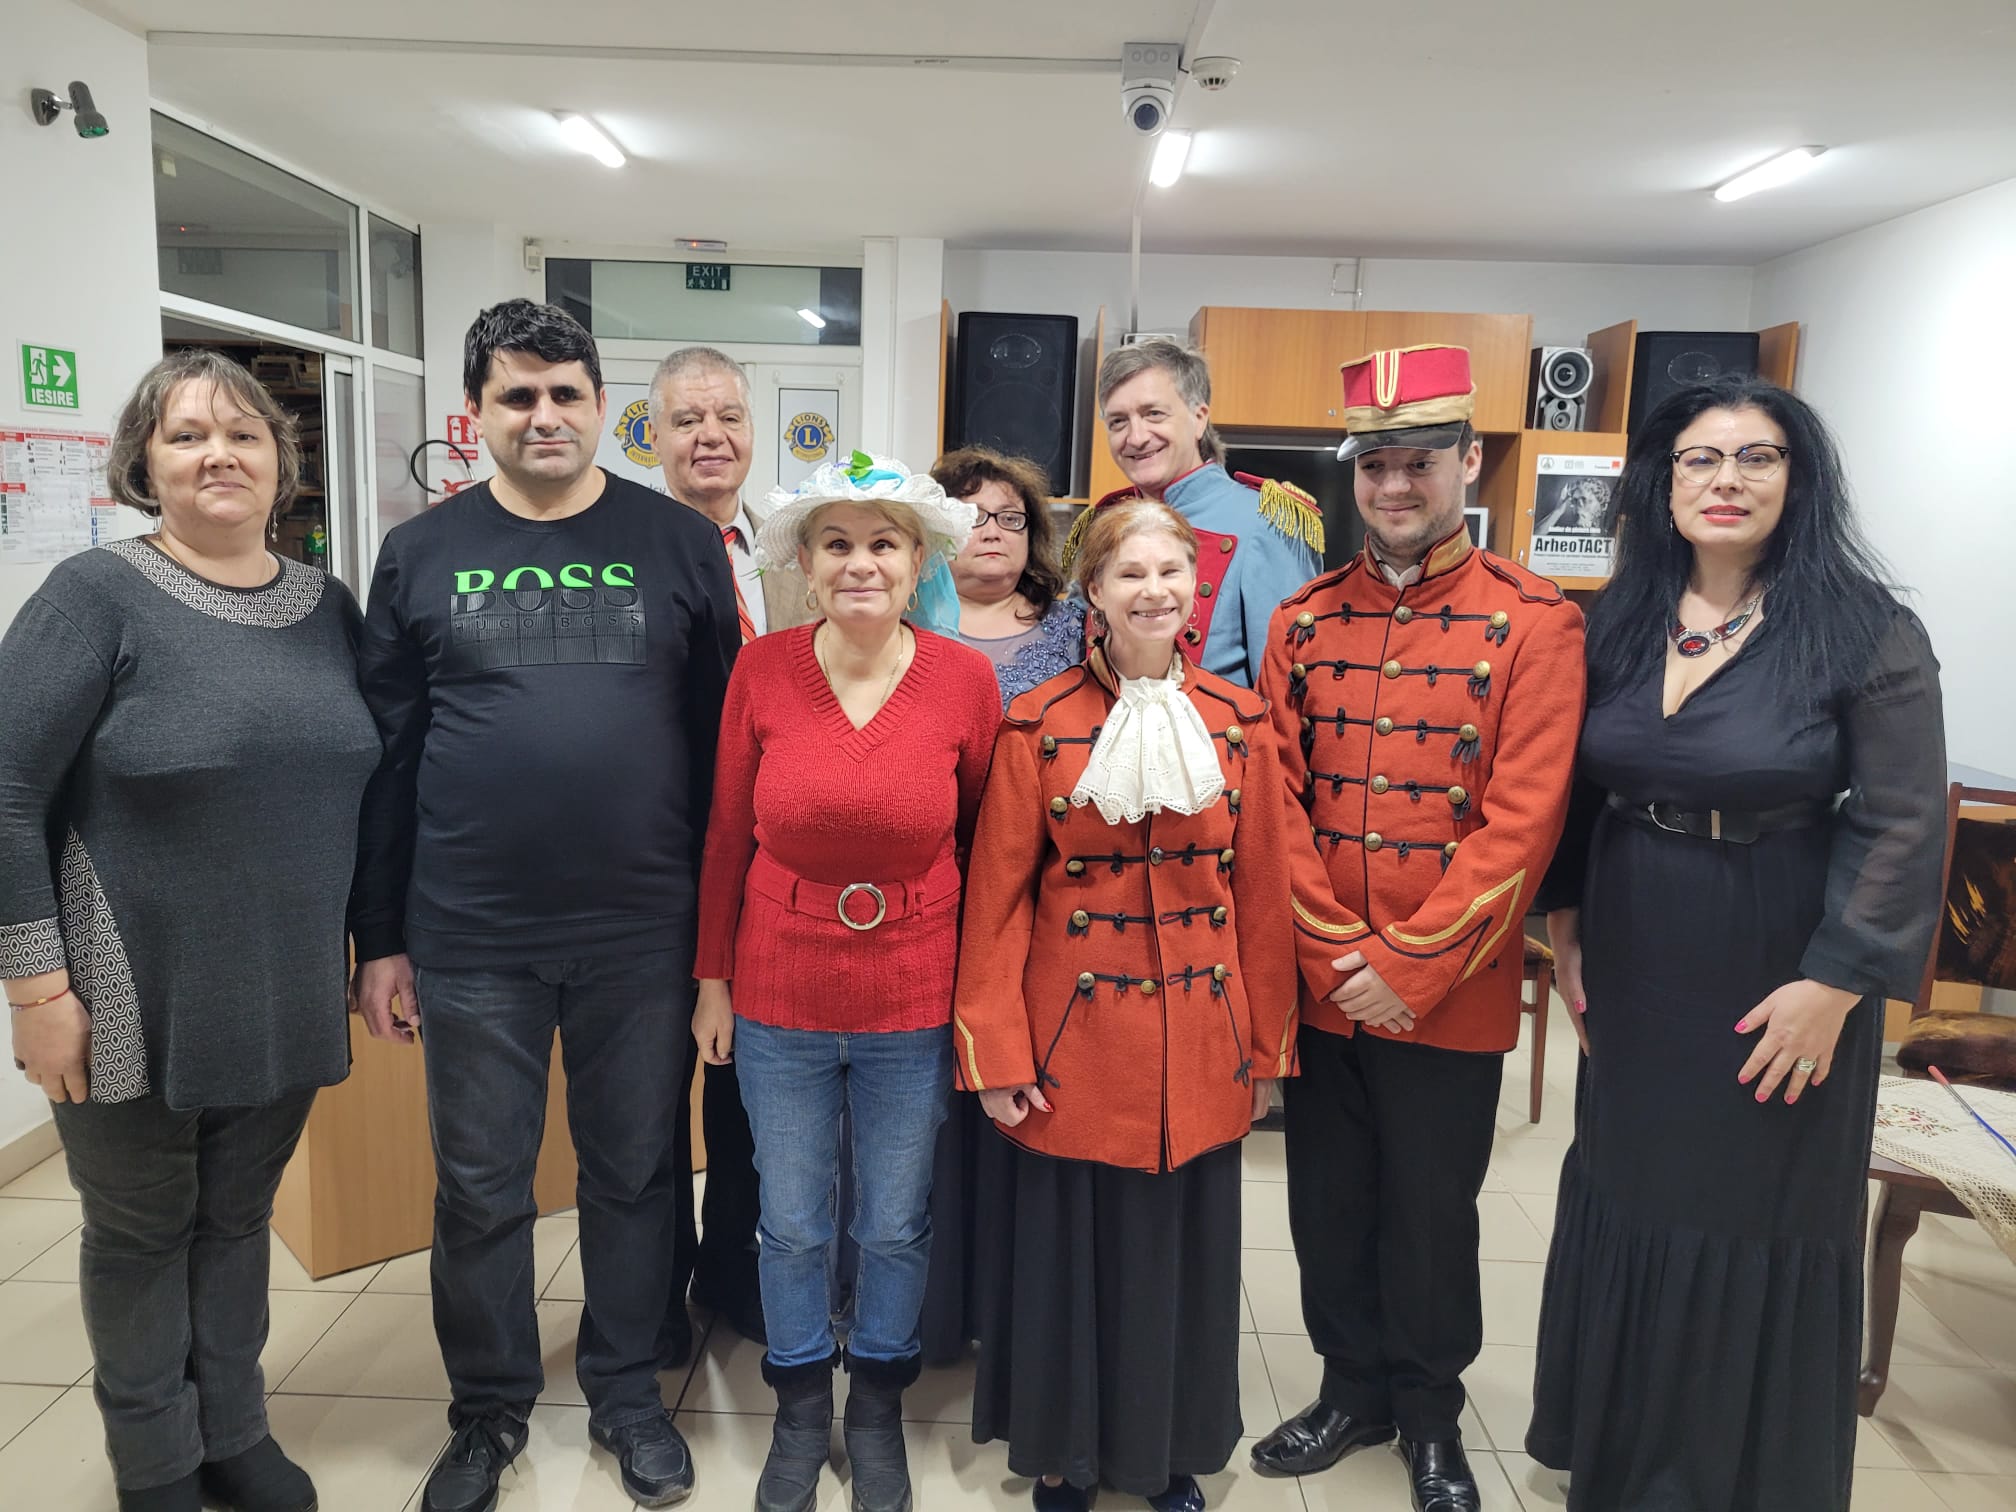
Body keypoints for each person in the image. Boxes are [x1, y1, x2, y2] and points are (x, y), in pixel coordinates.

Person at [1524, 377, 1946, 1512]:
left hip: (1779, 955)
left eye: (1757, 458)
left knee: (1750, 1206)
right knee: (1629, 1185)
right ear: (1662, 485)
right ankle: (1622, 1454)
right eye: (1700, 459)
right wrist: (1566, 924)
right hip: (1635, 938)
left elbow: (1904, 819)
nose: (1726, 480)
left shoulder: (1864, 627)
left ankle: (1723, 1477)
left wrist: (1835, 981)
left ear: (1798, 482)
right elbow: (1575, 789)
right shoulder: (1617, 619)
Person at [350, 300, 738, 1512]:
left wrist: (717, 941)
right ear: (476, 414)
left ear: (601, 405)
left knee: (634, 1174)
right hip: (471, 934)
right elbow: (388, 756)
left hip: (642, 929)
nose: (545, 415)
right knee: (480, 1189)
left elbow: (723, 751)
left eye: (566, 393)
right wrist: (380, 937)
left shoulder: (677, 543)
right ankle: (488, 1412)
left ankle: (627, 1393)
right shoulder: (421, 552)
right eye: (517, 395)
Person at [0, 350, 381, 1512]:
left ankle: (233, 1430)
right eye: (186, 436)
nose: (219, 455)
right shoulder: (93, 595)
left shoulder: (327, 607)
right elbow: (7, 790)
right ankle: (156, 1463)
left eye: (243, 434)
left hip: (281, 983)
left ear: (280, 461)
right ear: (143, 464)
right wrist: (36, 992)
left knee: (237, 1220)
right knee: (139, 1233)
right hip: (126, 992)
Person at [1252, 344, 1586, 1512]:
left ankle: (1431, 1416)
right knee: (1327, 1203)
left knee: (1433, 1215)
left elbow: (1524, 821)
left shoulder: (1537, 622)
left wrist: (1408, 963)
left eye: (1420, 462)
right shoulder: (1301, 619)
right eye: (1375, 464)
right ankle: (1350, 1391)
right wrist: (1332, 955)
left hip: (1447, 988)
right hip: (1322, 981)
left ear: (1468, 462)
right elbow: (1276, 804)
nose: (1395, 486)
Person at [955, 499, 1301, 1512]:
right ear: (1093, 592)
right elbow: (998, 905)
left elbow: (1262, 898)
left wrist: (1267, 1053)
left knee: (1175, 1263)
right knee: (1067, 1262)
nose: (1154, 590)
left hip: (1202, 1040)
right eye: (1130, 573)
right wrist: (996, 1055)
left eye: (1170, 570)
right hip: (1073, 1041)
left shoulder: (1241, 723)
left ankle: (1167, 1454)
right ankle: (1063, 1455)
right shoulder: (1036, 723)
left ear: (1195, 584)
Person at [692, 453, 999, 1512]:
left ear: (919, 561)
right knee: (791, 1221)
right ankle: (797, 1410)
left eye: (882, 543)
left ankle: (873, 1408)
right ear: (806, 563)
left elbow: (986, 840)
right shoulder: (762, 671)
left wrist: (978, 997)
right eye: (837, 543)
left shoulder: (964, 681)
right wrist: (713, 981)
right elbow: (726, 836)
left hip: (914, 993)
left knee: (894, 1223)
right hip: (777, 990)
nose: (860, 563)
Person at [649, 345, 813, 1355]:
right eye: (686, 420)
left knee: (751, 1087)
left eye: (728, 418)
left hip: (766, 865)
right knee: (653, 1095)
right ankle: (657, 1292)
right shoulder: (631, 550)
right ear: (652, 435)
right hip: (656, 857)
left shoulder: (789, 551)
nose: (711, 437)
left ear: (753, 429)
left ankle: (732, 1274)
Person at [1066, 338, 1323, 687]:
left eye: (1154, 414)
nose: (1136, 437)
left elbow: (1285, 687)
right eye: (1118, 422)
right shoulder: (1103, 522)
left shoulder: (1266, 521)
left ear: (1199, 418)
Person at [934, 445, 1087, 707]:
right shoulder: (902, 625)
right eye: (972, 518)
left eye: (1009, 519)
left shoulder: (1076, 626)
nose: (992, 533)